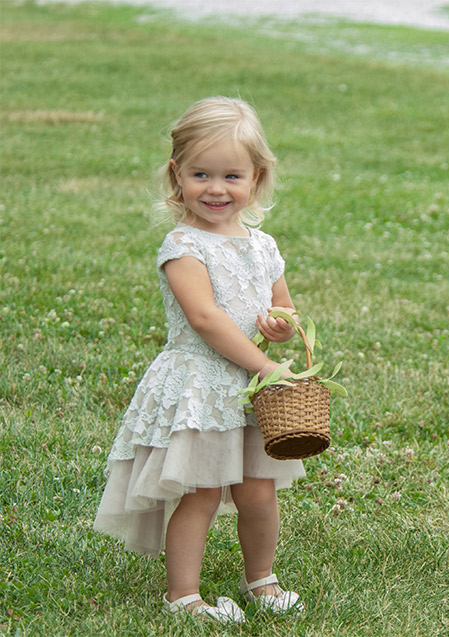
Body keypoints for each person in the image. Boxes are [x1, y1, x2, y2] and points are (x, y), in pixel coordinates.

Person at [94, 97, 305, 623]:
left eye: (232, 175)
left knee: (260, 490)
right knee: (203, 492)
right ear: (177, 175)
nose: (216, 188)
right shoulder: (183, 246)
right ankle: (183, 596)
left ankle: (263, 579)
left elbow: (282, 307)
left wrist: (279, 326)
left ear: (256, 179)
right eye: (201, 174)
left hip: (257, 388)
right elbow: (207, 321)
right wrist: (265, 366)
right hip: (204, 385)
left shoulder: (263, 246)